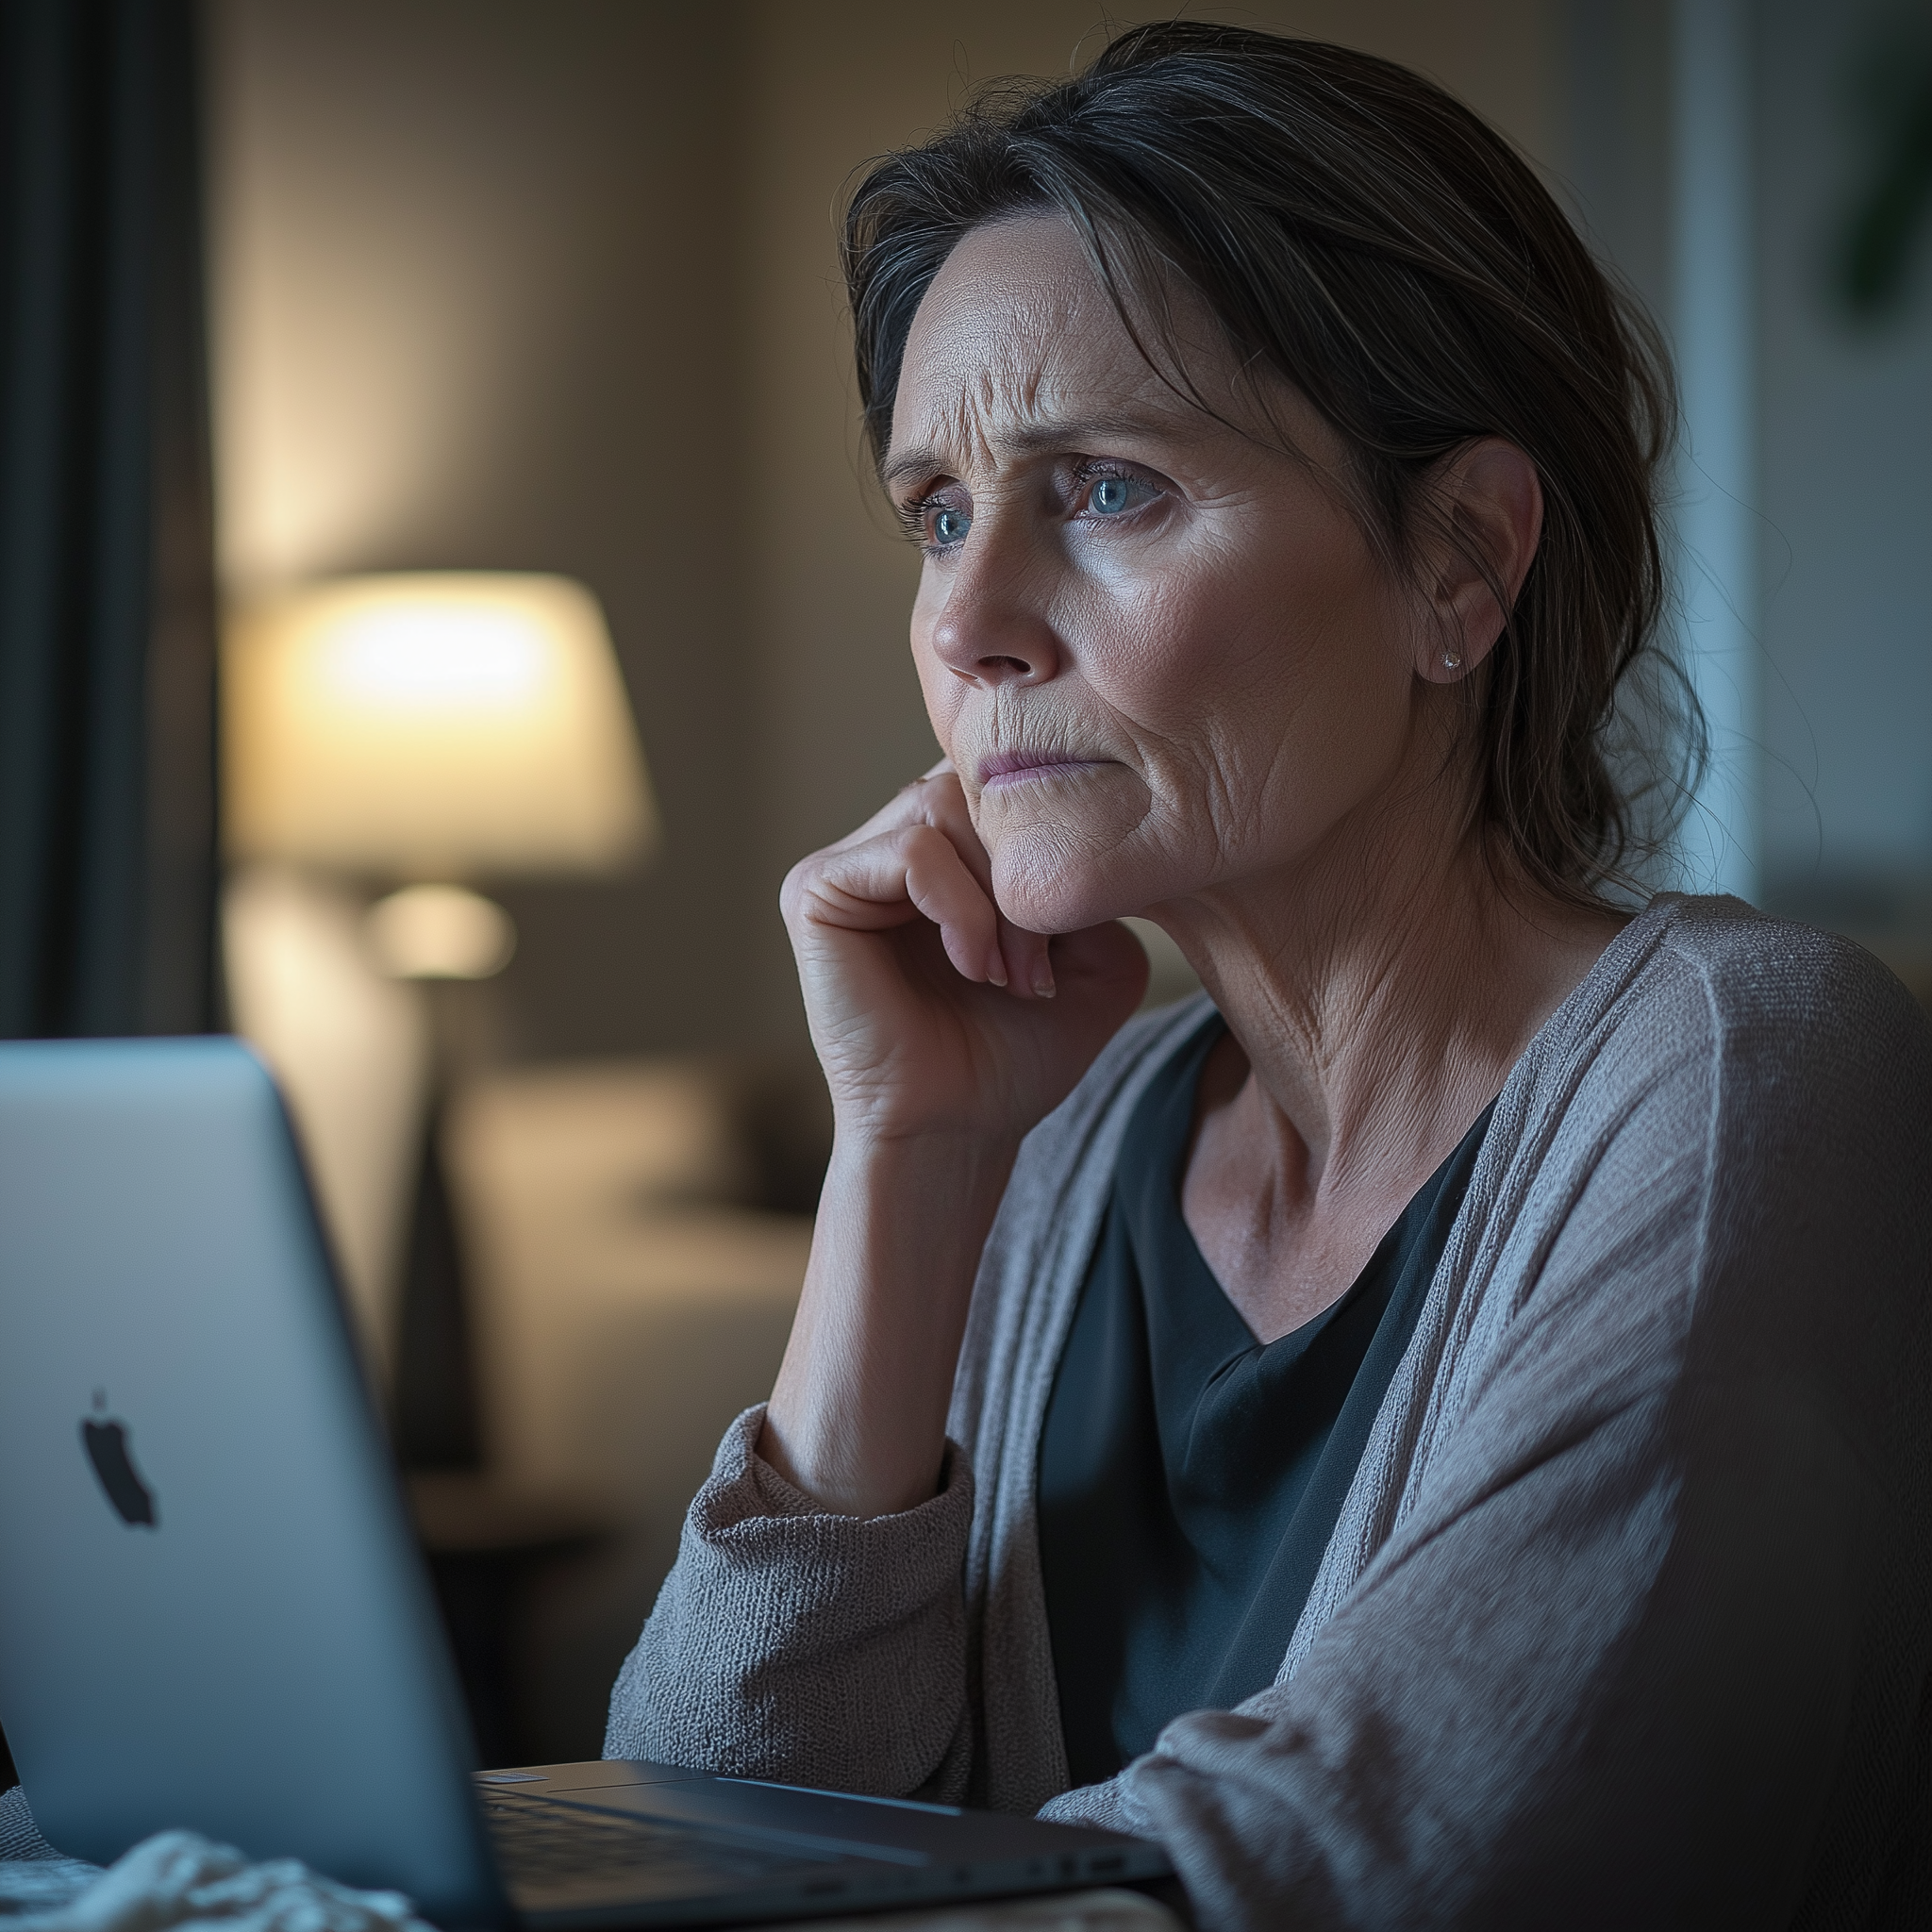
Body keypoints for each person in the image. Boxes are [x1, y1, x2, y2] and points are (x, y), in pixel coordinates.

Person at [607, 24, 1932, 1928]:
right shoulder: (1076, 1150)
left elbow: (1398, 1867)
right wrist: (906, 1158)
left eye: (1108, 491)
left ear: (1458, 562)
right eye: (937, 512)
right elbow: (691, 1826)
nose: (968, 625)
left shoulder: (1745, 1072)